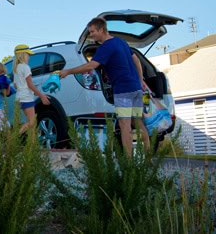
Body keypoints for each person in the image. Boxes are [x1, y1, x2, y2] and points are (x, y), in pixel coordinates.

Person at [59, 17, 150, 156]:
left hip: (123, 90)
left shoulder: (106, 46)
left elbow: (92, 65)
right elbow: (136, 60)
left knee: (124, 125)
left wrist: (68, 71)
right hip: (136, 89)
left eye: (92, 31)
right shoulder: (120, 41)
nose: (91, 35)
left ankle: (129, 162)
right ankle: (149, 157)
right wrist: (140, 79)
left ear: (101, 29)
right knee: (137, 122)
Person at [13, 44, 51, 134]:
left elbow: (15, 85)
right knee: (32, 122)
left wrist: (29, 90)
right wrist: (42, 96)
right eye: (28, 54)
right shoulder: (25, 67)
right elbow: (30, 84)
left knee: (31, 124)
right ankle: (13, 138)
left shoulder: (16, 68)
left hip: (19, 97)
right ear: (23, 55)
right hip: (26, 98)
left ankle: (32, 145)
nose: (29, 57)